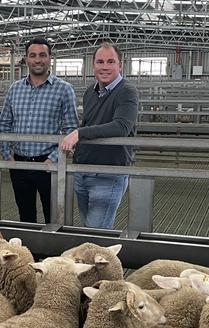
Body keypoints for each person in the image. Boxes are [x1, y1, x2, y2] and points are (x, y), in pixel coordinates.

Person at [0, 38, 78, 223]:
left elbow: (71, 128)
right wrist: (6, 155)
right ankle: (27, 251)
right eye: (32, 55)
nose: (37, 60)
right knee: (25, 215)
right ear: (26, 59)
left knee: (53, 216)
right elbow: (5, 123)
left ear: (50, 58)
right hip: (19, 162)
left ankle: (52, 250)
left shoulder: (64, 89)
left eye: (42, 55)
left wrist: (54, 158)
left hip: (48, 164)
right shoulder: (15, 89)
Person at [60, 42, 138, 229]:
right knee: (88, 227)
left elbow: (121, 127)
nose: (104, 67)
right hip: (83, 170)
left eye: (110, 61)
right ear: (93, 65)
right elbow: (90, 123)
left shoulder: (127, 91)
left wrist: (79, 133)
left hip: (108, 172)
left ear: (120, 65)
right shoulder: (90, 92)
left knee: (96, 233)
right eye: (100, 61)